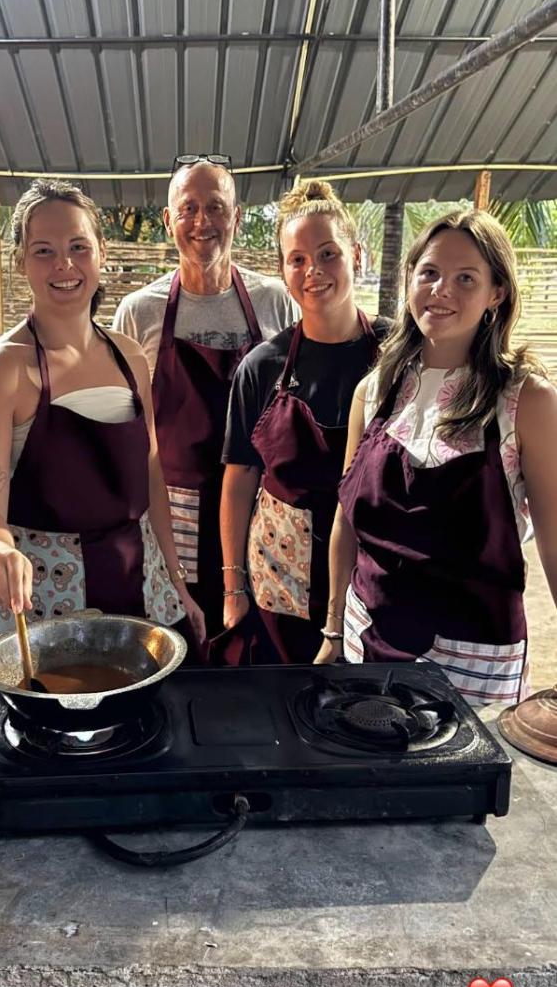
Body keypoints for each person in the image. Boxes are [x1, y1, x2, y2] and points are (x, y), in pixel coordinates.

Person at [316, 209, 557, 706]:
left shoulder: (525, 401)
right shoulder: (375, 391)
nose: (441, 290)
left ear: (496, 293)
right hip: (367, 644)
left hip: (474, 666)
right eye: (429, 272)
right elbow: (345, 521)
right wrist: (334, 628)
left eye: (465, 278)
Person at [0, 178, 205, 644]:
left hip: (142, 589)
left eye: (78, 247)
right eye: (43, 251)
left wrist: (176, 580)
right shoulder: (0, 369)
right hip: (45, 604)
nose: (64, 264)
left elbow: (152, 477)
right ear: (20, 262)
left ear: (101, 252)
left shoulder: (130, 357)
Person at [113, 154, 295, 636]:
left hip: (261, 511)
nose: (202, 221)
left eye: (215, 206)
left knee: (256, 644)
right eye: (188, 208)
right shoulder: (139, 312)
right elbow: (126, 430)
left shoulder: (275, 301)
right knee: (182, 641)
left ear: (237, 217)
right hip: (173, 516)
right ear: (167, 219)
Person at [218, 180, 387, 663]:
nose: (313, 270)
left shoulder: (397, 355)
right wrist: (234, 587)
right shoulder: (261, 367)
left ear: (357, 255)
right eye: (297, 259)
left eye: (328, 254)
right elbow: (240, 478)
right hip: (280, 578)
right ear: (283, 271)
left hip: (371, 576)